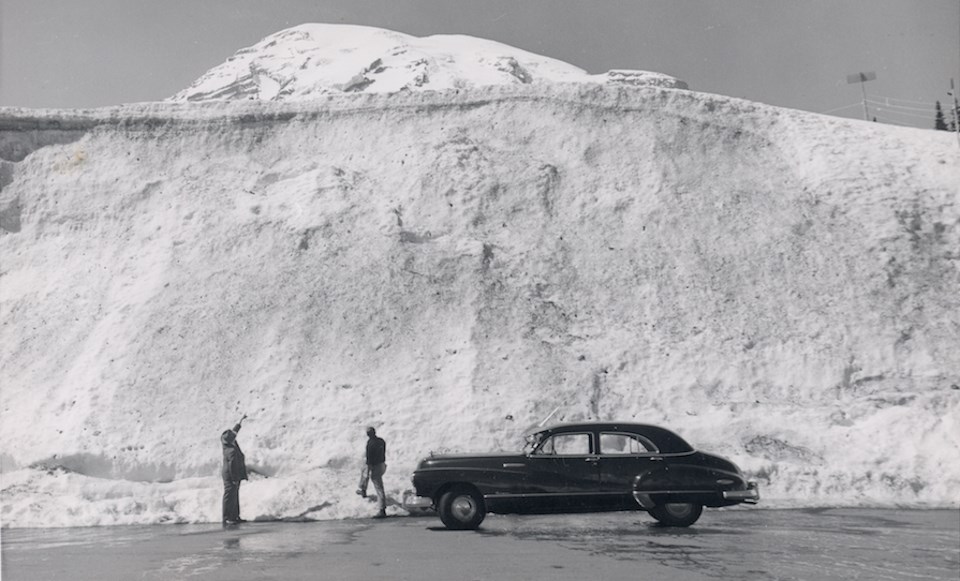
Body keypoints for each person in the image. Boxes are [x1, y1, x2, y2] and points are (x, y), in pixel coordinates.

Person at [220, 415, 248, 525]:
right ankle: (227, 517)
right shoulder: (230, 450)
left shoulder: (227, 441)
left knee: (234, 495)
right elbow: (232, 467)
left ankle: (235, 516)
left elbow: (234, 432)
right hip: (230, 475)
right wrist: (235, 479)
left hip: (232, 474)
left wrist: (240, 421)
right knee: (229, 496)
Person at [359, 426, 387, 518]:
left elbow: (369, 459)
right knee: (378, 486)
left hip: (375, 466)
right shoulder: (381, 441)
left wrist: (369, 469)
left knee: (379, 488)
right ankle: (363, 489)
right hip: (382, 464)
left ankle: (382, 509)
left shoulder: (370, 444)